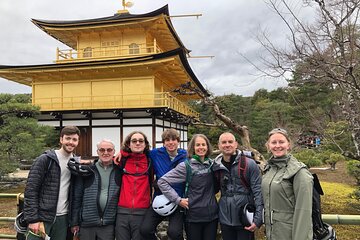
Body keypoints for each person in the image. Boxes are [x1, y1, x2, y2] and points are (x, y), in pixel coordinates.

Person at [24, 125, 81, 240]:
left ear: (78, 142)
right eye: (68, 138)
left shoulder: (76, 162)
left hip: (63, 218)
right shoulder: (46, 159)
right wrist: (33, 219)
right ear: (61, 139)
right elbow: (31, 190)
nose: (71, 142)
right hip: (42, 218)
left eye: (74, 139)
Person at [158, 134, 218, 240]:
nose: (201, 147)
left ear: (207, 147)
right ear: (193, 148)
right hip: (193, 217)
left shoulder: (212, 164)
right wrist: (178, 200)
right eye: (197, 145)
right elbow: (162, 182)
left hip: (212, 216)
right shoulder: (186, 166)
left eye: (203, 144)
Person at [262, 128, 313, 240]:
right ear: (268, 145)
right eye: (273, 142)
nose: (277, 146)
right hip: (272, 233)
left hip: (289, 234)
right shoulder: (269, 169)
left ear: (288, 145)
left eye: (281, 142)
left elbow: (304, 212)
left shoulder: (299, 172)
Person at [213, 132, 263, 240]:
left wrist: (258, 219)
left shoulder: (249, 164)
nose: (227, 145)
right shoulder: (216, 167)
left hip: (245, 217)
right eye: (224, 142)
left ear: (236, 144)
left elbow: (258, 191)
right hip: (225, 218)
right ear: (219, 145)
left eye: (230, 142)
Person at [140, 128, 187, 240]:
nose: (170, 142)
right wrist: (121, 154)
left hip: (179, 200)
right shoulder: (156, 154)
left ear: (178, 141)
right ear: (164, 142)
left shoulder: (185, 156)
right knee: (145, 230)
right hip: (160, 198)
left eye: (173, 139)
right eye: (167, 140)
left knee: (175, 233)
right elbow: (138, 152)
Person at [69, 139, 121, 240]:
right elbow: (77, 198)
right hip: (87, 224)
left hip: (108, 224)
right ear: (97, 152)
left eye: (109, 150)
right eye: (102, 150)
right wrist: (74, 222)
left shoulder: (119, 171)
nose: (105, 153)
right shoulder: (87, 170)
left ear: (114, 152)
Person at [115, 131, 152, 240]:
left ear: (145, 144)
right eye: (134, 141)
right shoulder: (122, 160)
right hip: (122, 211)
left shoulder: (150, 160)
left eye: (141, 141)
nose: (137, 143)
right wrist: (122, 152)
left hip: (142, 211)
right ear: (128, 144)